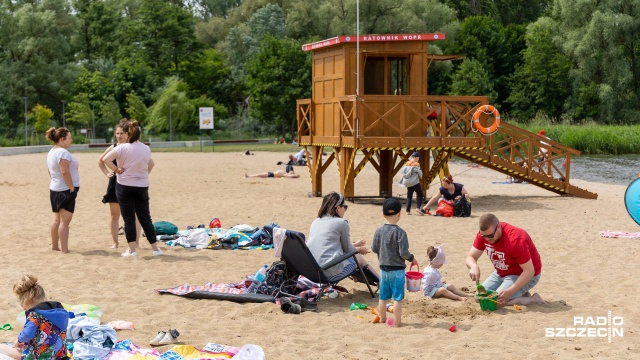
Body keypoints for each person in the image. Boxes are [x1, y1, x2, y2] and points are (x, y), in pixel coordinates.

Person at [102, 119, 163, 257]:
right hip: (142, 186)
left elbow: (105, 159)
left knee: (128, 218)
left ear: (128, 134)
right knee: (145, 218)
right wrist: (142, 174)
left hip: (124, 186)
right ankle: (155, 249)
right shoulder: (146, 148)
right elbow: (151, 164)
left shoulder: (122, 148)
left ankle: (132, 250)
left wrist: (116, 170)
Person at [465, 213, 545, 306]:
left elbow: (529, 271)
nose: (487, 239)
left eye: (490, 236)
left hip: (525, 274)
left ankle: (533, 299)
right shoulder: (484, 234)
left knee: (496, 301)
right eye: (484, 236)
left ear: (498, 227)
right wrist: (473, 266)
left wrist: (510, 291)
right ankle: (522, 294)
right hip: (502, 272)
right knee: (479, 298)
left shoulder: (515, 240)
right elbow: (470, 257)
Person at [306, 192, 380, 285]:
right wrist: (359, 249)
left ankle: (365, 278)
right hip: (328, 275)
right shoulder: (341, 223)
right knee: (358, 257)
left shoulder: (316, 221)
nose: (345, 209)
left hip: (313, 273)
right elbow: (348, 250)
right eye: (345, 207)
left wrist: (354, 245)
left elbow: (326, 246)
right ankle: (380, 282)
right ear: (337, 208)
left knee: (350, 256)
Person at [371, 198, 418, 327]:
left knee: (383, 296)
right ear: (399, 213)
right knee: (397, 297)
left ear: (384, 215)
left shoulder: (379, 231)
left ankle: (382, 318)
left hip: (383, 269)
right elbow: (403, 252)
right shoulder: (400, 233)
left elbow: (374, 248)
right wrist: (411, 258)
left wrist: (383, 254)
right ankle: (397, 322)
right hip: (397, 270)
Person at [98, 121, 141, 249]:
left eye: (121, 133)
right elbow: (100, 161)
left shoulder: (132, 147)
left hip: (130, 182)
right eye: (117, 133)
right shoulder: (113, 147)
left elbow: (148, 162)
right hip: (115, 183)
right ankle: (115, 242)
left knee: (134, 215)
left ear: (128, 134)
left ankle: (136, 242)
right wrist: (107, 173)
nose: (119, 136)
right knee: (114, 215)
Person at [13, 275, 70, 359]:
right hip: (60, 356)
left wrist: (19, 340)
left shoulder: (34, 315)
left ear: (26, 301)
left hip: (42, 357)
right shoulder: (60, 311)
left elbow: (27, 334)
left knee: (6, 349)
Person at [46, 127, 80, 254]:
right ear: (62, 139)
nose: (71, 140)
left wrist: (56, 181)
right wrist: (71, 187)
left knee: (56, 220)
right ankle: (64, 249)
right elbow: (64, 171)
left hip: (54, 188)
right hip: (64, 190)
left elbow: (50, 171)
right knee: (64, 222)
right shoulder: (62, 153)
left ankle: (55, 246)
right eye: (70, 138)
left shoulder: (52, 151)